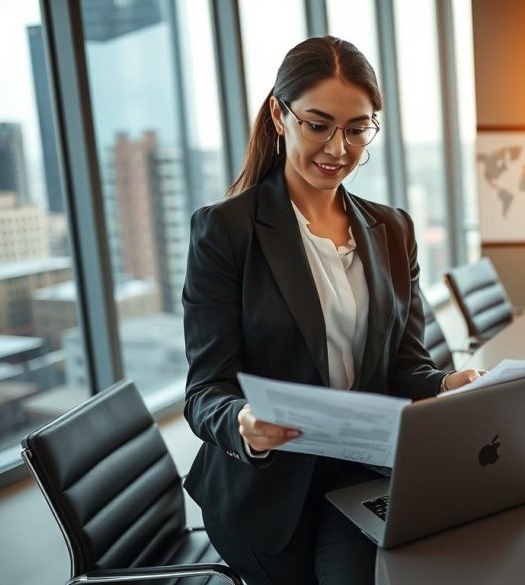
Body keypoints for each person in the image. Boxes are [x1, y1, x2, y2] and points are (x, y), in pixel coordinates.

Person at [182, 36, 483, 584]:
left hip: (362, 471)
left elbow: (403, 367)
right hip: (267, 490)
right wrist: (244, 424)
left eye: (356, 128)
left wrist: (445, 385)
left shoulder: (392, 229)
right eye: (317, 125)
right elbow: (205, 391)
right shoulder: (226, 231)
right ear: (279, 114)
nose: (338, 148)